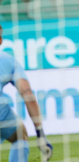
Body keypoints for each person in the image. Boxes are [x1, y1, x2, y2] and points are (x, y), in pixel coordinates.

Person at [0, 25, 53, 161]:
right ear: (0, 40)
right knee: (20, 136)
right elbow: (26, 92)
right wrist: (40, 132)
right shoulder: (7, 60)